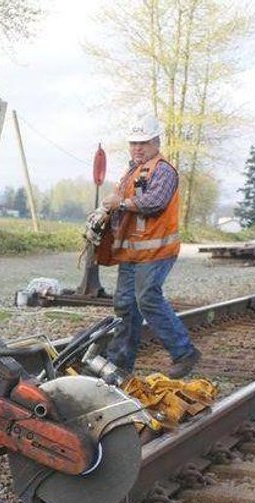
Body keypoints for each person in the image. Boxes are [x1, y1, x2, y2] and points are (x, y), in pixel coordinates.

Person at [92, 113, 201, 379]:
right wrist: (105, 212)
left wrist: (121, 204)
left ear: (156, 142)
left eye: (143, 142)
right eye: (133, 143)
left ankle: (184, 352)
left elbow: (156, 202)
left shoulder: (163, 169)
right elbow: (124, 206)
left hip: (156, 252)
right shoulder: (130, 172)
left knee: (147, 298)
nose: (138, 148)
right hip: (132, 253)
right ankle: (119, 367)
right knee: (125, 306)